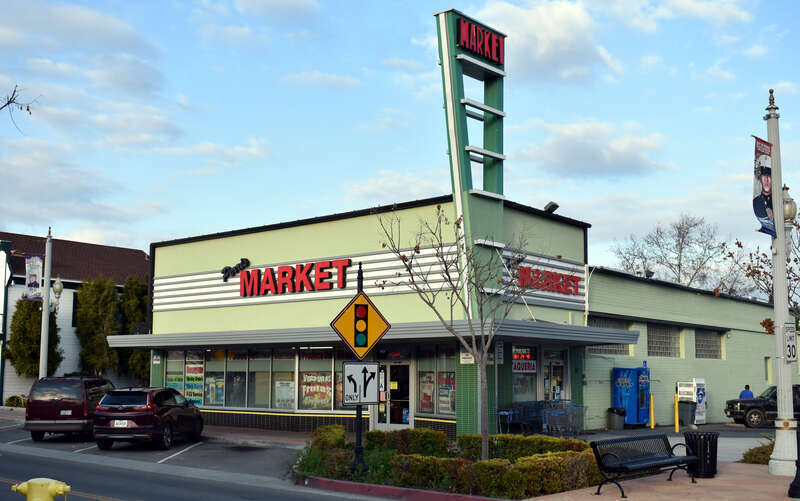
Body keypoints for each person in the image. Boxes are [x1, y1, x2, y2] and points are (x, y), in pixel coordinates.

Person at [753, 163, 774, 231]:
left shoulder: (777, 200)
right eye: (764, 176)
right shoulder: (756, 202)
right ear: (760, 179)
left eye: (769, 176)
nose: (766, 180)